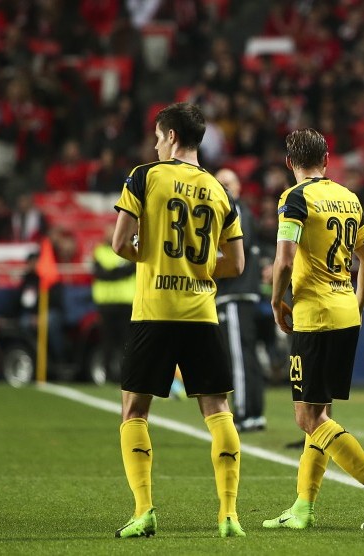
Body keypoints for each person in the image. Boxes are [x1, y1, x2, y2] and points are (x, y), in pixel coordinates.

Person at [111, 102, 247, 539]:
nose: (154, 143)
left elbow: (119, 244)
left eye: (156, 136)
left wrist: (146, 253)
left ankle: (144, 511)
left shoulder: (145, 175)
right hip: (202, 312)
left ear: (169, 136)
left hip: (154, 310)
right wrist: (201, 267)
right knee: (218, 409)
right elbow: (237, 263)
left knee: (134, 410)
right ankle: (229, 515)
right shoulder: (219, 189)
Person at [263, 128, 364, 531]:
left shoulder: (294, 199)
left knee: (308, 418)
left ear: (290, 163)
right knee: (323, 414)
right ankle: (303, 507)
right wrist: (356, 305)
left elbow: (286, 260)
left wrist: (277, 301)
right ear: (327, 158)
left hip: (314, 317)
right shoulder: (349, 197)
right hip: (345, 313)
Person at [214, 167, 267, 432]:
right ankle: (255, 412)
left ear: (237, 187)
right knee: (247, 354)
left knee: (238, 357)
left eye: (227, 183)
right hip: (244, 293)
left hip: (234, 293)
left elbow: (236, 250)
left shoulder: (232, 210)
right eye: (219, 183)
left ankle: (244, 413)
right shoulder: (245, 211)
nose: (222, 188)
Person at [91, 225, 135, 383]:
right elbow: (100, 273)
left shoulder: (129, 249)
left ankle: (126, 375)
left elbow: (130, 269)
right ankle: (109, 374)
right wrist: (118, 271)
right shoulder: (99, 251)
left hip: (126, 303)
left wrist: (111, 272)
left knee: (126, 341)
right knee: (108, 341)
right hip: (107, 304)